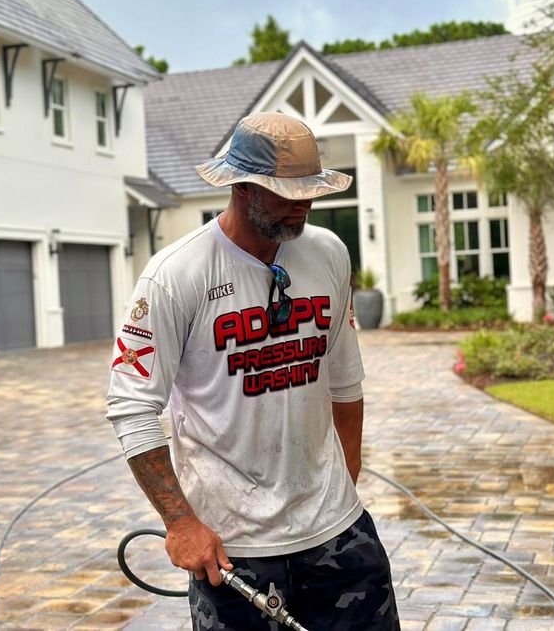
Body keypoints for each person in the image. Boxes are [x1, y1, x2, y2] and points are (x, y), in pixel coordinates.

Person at [106, 112, 400, 630]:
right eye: (287, 193)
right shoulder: (176, 276)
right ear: (243, 187)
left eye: (309, 190)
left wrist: (344, 485)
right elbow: (132, 406)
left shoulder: (328, 253)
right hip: (234, 545)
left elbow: (346, 383)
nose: (303, 204)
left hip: (337, 532)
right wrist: (180, 521)